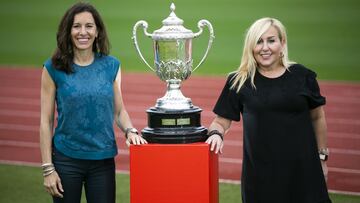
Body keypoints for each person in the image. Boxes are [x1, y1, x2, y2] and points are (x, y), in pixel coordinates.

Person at [205, 17, 332, 203]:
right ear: (251, 46)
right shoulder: (239, 80)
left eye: (271, 40)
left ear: (282, 43)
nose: (265, 48)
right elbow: (220, 121)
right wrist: (216, 133)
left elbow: (317, 118)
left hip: (304, 171)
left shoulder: (302, 76)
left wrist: (322, 158)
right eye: (259, 41)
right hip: (261, 177)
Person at [39, 2, 147, 203]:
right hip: (66, 160)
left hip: (102, 161)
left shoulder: (111, 65)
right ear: (68, 31)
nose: (83, 32)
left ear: (97, 31)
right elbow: (45, 122)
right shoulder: (53, 68)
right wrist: (48, 169)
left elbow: (119, 111)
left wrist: (130, 130)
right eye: (76, 26)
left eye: (89, 26)